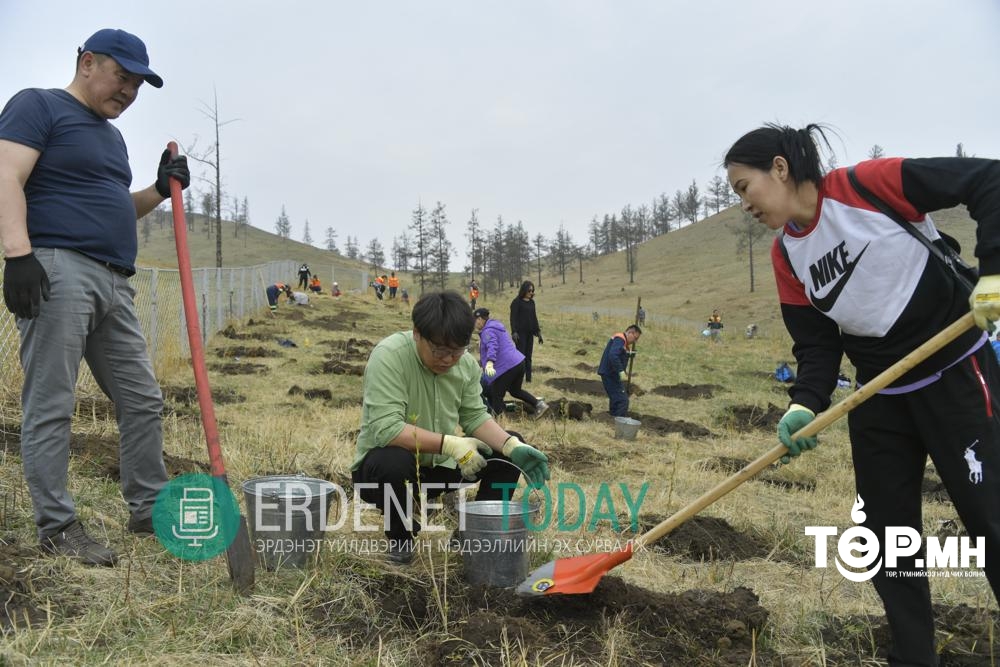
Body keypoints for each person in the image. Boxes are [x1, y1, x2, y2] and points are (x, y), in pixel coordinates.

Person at [724, 122, 1000, 666]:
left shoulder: (869, 185)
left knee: (989, 517)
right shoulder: (787, 257)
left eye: (743, 187)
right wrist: (804, 403)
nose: (744, 205)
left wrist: (993, 271)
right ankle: (914, 656)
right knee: (886, 536)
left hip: (955, 373)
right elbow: (818, 344)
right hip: (878, 392)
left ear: (779, 168)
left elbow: (989, 180)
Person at [0, 28, 191, 566]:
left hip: (115, 281)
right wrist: (18, 254)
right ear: (87, 63)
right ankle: (58, 527)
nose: (129, 91)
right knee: (52, 403)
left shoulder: (111, 138)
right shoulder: (38, 106)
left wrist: (157, 188)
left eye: (137, 84)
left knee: (143, 399)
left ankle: (148, 507)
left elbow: (112, 208)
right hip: (56, 271)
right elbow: (5, 174)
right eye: (121, 76)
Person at [351, 291, 550, 564]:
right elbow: (388, 430)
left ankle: (474, 534)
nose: (448, 360)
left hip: (437, 470)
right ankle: (401, 539)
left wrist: (511, 446)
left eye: (457, 350)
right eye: (440, 350)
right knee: (392, 460)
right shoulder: (389, 356)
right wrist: (452, 444)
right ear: (417, 334)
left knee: (506, 450)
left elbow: (475, 417)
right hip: (381, 475)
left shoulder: (465, 365)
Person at [473, 308, 549, 419]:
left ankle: (499, 422)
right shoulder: (496, 327)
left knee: (496, 395)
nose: (474, 324)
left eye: (474, 321)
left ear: (479, 319)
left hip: (506, 367)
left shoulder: (487, 331)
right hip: (518, 363)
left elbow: (492, 346)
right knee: (515, 391)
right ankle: (539, 405)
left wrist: (489, 362)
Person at [597, 325, 641, 417]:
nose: (635, 341)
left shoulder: (623, 342)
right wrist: (621, 370)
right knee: (622, 401)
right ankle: (618, 420)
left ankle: (612, 417)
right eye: (635, 338)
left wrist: (629, 354)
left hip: (611, 374)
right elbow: (613, 355)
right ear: (630, 333)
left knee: (616, 399)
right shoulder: (620, 339)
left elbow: (620, 353)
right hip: (609, 374)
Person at [509, 280, 543, 382]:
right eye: (529, 290)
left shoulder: (532, 303)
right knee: (520, 357)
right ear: (524, 290)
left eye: (532, 291)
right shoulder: (516, 302)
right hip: (520, 334)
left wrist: (538, 332)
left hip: (530, 333)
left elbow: (534, 318)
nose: (531, 293)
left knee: (528, 356)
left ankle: (528, 379)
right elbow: (513, 318)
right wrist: (514, 331)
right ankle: (517, 378)